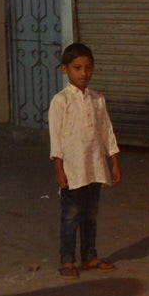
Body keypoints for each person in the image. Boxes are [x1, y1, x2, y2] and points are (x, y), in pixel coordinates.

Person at [49, 42, 120, 278]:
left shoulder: (98, 100)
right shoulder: (61, 102)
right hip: (72, 169)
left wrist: (114, 161)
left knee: (91, 214)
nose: (83, 74)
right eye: (77, 68)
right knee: (71, 215)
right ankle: (67, 260)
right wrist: (60, 169)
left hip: (95, 167)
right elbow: (56, 139)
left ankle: (89, 256)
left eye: (88, 68)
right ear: (65, 69)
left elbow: (106, 131)